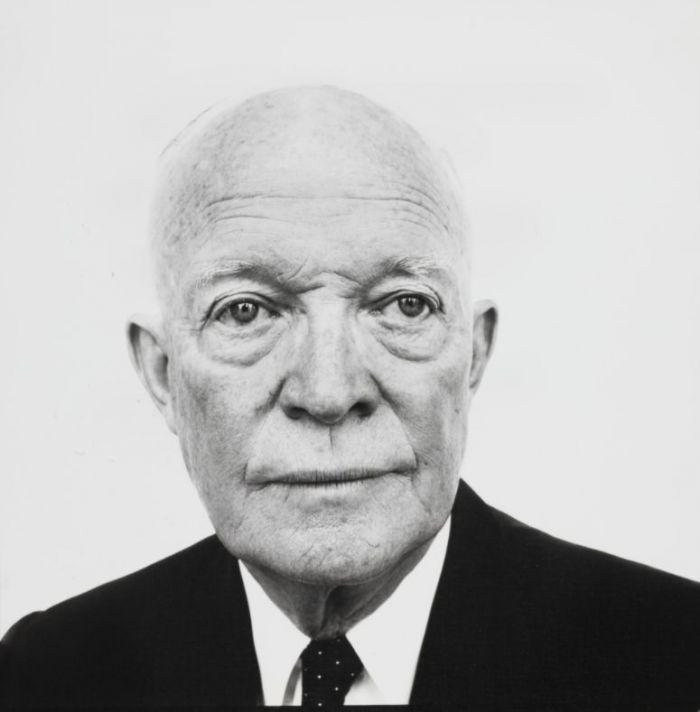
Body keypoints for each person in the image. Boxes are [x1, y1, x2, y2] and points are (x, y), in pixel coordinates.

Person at [1, 86, 699, 711]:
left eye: (403, 305)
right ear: (162, 374)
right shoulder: (46, 678)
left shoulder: (675, 661)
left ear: (474, 354)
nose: (328, 393)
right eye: (246, 311)